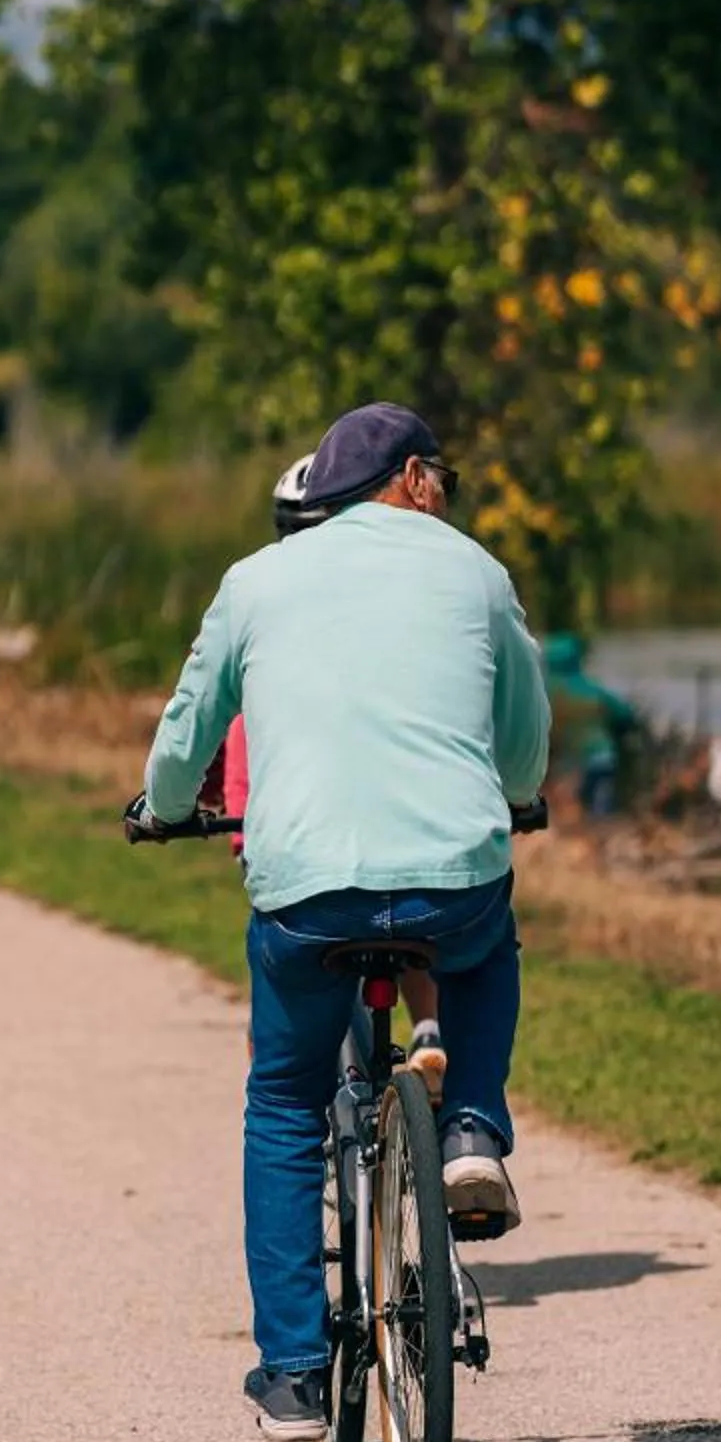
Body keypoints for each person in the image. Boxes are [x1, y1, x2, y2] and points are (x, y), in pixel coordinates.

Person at [130, 401, 550, 1442]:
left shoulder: (254, 582)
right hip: (451, 878)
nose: (444, 489)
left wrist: (166, 806)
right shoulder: (473, 571)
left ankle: (293, 1372)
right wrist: (515, 790)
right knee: (484, 949)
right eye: (437, 472)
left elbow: (190, 723)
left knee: (282, 1101)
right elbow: (523, 719)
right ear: (406, 477)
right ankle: (469, 1127)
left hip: (309, 892)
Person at [209, 462, 448, 1094]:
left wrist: (193, 813)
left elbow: (220, 728)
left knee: (282, 1078)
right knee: (443, 934)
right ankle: (437, 1051)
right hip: (413, 847)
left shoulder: (260, 598)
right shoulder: (420, 598)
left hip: (297, 856)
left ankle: (294, 1078)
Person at [542, 629, 640, 820]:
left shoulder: (541, 694)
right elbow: (626, 717)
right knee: (600, 814)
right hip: (600, 759)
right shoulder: (591, 689)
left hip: (562, 767)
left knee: (565, 814)